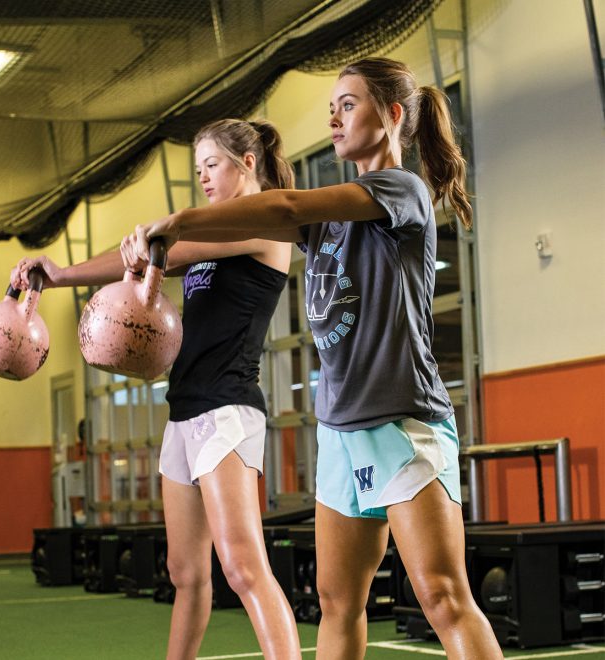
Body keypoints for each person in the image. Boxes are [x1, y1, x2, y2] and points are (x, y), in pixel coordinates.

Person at [123, 57, 504, 660]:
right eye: (333, 105)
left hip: (402, 421)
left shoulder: (398, 192)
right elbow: (249, 225)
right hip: (339, 431)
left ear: (392, 116)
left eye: (348, 104)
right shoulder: (326, 218)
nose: (333, 116)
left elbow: (285, 209)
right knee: (337, 602)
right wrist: (135, 251)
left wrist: (175, 220)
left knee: (442, 596)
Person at [11, 119, 302, 660]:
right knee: (185, 572)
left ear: (248, 164)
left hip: (228, 411)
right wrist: (55, 274)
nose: (204, 178)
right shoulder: (208, 227)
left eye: (212, 165)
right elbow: (142, 260)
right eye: (198, 170)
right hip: (185, 411)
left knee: (242, 567)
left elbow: (161, 251)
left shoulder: (266, 223)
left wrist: (150, 241)